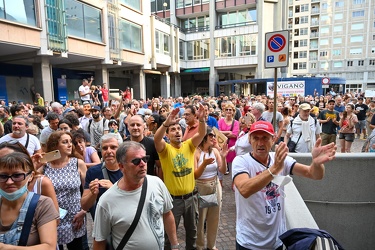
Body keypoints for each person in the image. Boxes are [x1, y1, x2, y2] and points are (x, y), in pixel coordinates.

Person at [232, 121, 337, 250]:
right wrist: (274, 169)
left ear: (273, 138)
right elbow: (244, 189)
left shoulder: (280, 159)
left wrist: (316, 163)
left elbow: (314, 174)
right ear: (249, 139)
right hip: (249, 242)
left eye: (265, 138)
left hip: (277, 241)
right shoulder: (241, 161)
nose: (260, 143)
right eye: (256, 138)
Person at [92, 141, 179, 250]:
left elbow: (167, 214)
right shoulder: (106, 201)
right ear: (121, 166)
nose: (142, 164)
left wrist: (175, 245)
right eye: (136, 161)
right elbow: (99, 241)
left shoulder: (157, 183)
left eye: (145, 159)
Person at [154, 103, 207, 250]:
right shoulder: (165, 149)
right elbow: (156, 140)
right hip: (173, 201)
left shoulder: (189, 145)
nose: (177, 132)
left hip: (191, 198)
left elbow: (202, 134)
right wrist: (166, 123)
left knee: (193, 233)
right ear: (168, 134)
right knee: (169, 236)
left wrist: (201, 120)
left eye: (178, 129)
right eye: (173, 130)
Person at [0, 152, 59, 248]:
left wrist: (4, 247)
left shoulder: (42, 204)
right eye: (3, 176)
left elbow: (49, 246)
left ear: (31, 176)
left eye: (17, 175)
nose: (9, 182)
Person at [43, 131, 87, 250]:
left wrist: (83, 211)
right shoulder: (45, 166)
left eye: (70, 142)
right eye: (64, 142)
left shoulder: (78, 163)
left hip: (75, 216)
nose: (69, 145)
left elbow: (87, 190)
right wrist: (36, 164)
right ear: (55, 145)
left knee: (78, 247)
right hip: (53, 217)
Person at [194, 128, 227, 250]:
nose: (214, 138)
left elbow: (223, 170)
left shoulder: (215, 151)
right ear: (204, 137)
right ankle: (200, 246)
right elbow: (195, 175)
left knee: (214, 217)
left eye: (214, 135)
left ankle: (211, 245)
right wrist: (204, 164)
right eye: (211, 135)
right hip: (202, 187)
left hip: (215, 185)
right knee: (201, 218)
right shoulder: (196, 152)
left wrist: (223, 158)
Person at [81, 133, 123, 219]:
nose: (108, 151)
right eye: (104, 148)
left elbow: (135, 202)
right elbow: (84, 205)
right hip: (102, 224)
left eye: (113, 147)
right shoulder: (93, 172)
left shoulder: (129, 170)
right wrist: (92, 194)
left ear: (121, 150)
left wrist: (113, 189)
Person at [218, 102, 239, 175]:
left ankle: (233, 184)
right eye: (227, 109)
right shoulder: (220, 121)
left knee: (233, 168)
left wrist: (223, 133)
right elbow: (218, 133)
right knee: (220, 168)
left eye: (230, 110)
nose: (228, 111)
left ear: (233, 111)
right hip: (221, 146)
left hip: (231, 148)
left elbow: (234, 135)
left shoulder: (236, 122)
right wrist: (229, 132)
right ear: (224, 111)